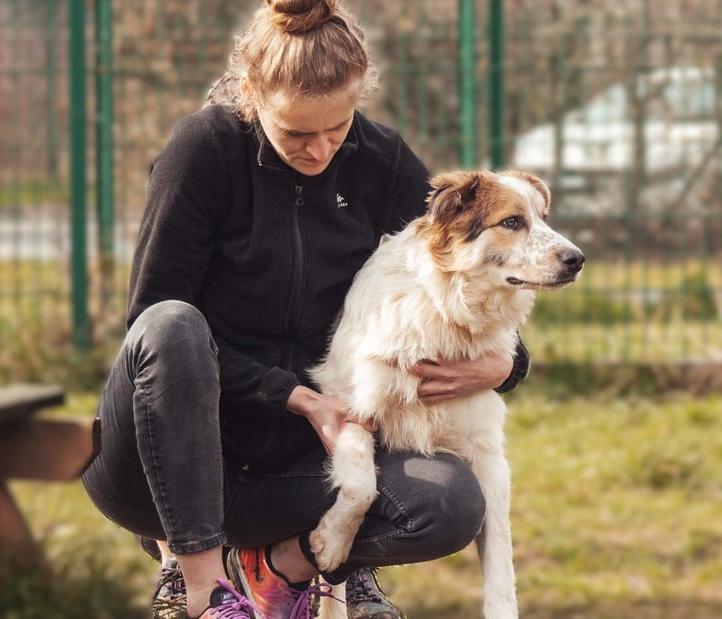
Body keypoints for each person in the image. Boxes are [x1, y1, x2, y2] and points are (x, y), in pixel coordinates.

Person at [82, 1, 530, 618]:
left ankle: (279, 569)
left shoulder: (381, 162)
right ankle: (204, 591)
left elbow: (453, 266)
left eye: (337, 128)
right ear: (250, 92)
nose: (319, 150)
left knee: (450, 503)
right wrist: (295, 397)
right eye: (296, 133)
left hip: (301, 472)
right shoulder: (203, 151)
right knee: (174, 324)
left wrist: (507, 366)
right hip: (167, 467)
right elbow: (150, 321)